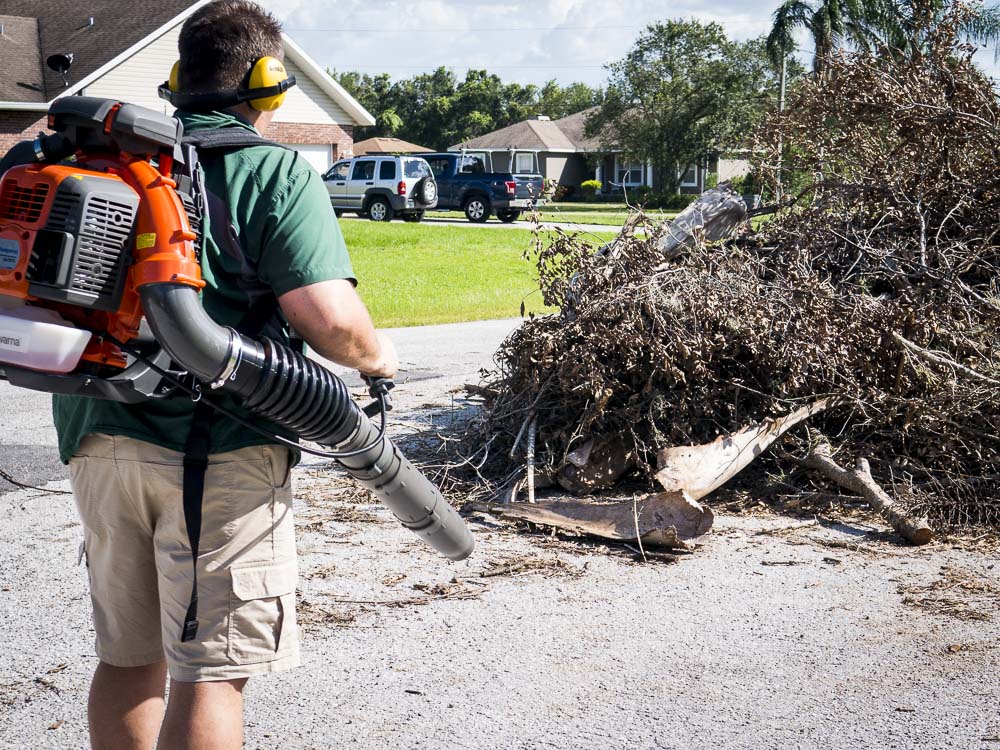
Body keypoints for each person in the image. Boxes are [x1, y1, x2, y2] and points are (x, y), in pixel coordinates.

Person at [52, 2, 398, 748]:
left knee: (127, 658)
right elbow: (330, 320)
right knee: (210, 673)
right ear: (269, 84)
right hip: (219, 451)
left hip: (96, 439)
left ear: (179, 79)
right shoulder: (270, 170)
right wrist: (380, 360)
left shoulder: (115, 163)